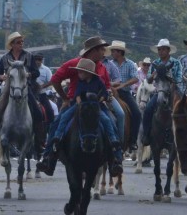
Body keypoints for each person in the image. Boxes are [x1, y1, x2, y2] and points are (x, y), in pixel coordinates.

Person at [36, 36, 124, 178]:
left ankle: (116, 160)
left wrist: (105, 95)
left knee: (112, 124)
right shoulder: (73, 64)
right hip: (75, 103)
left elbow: (107, 86)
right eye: (102, 50)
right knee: (56, 124)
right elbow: (55, 79)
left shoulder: (102, 67)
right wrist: (65, 98)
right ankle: (48, 159)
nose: (104, 53)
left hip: (96, 105)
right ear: (93, 51)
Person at [0, 31, 46, 153]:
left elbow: (36, 72)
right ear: (12, 44)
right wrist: (1, 77)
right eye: (18, 42)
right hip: (8, 89)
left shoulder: (29, 56)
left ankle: (39, 142)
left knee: (38, 112)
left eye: (22, 42)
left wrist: (29, 74)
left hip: (25, 89)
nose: (21, 44)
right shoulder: (5, 58)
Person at [141, 39, 183, 143]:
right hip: (159, 91)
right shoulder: (155, 63)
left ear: (168, 50)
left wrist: (169, 78)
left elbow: (179, 79)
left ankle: (184, 135)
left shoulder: (176, 62)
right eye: (159, 49)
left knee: (184, 108)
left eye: (163, 49)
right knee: (148, 109)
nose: (161, 51)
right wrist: (154, 75)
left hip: (173, 91)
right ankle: (146, 134)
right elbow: (148, 80)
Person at [107, 41, 141, 150]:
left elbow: (135, 78)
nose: (112, 53)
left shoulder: (130, 63)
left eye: (113, 51)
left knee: (137, 114)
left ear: (120, 52)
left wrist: (123, 85)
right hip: (112, 92)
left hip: (125, 93)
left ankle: (133, 141)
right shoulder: (110, 64)